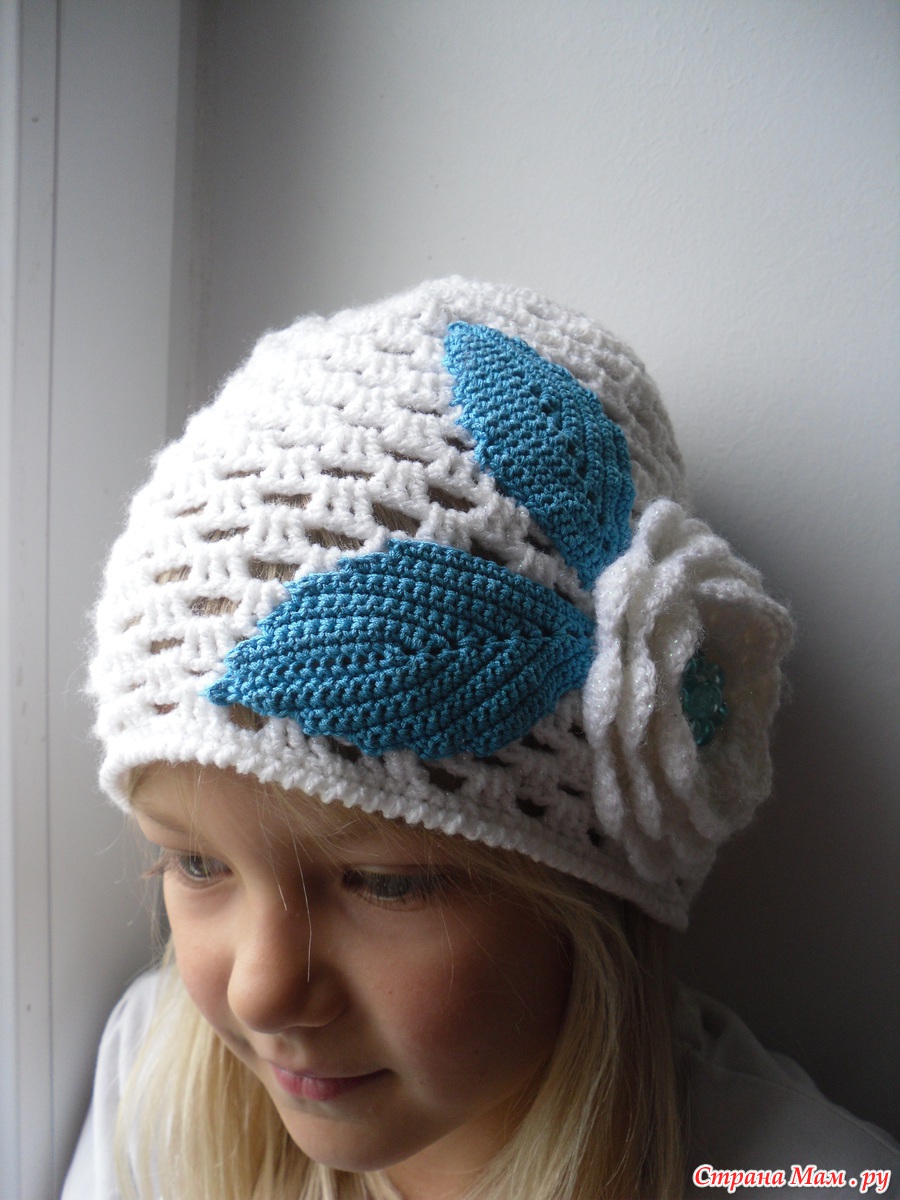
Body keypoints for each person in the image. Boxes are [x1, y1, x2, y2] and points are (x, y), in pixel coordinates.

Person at [63, 278, 898, 1199]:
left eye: (383, 883)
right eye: (196, 865)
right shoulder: (152, 1088)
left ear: (584, 885)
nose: (260, 993)